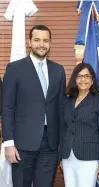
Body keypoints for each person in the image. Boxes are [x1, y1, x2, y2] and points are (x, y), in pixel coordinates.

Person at [2, 25, 66, 187]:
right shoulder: (14, 69)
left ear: (50, 43)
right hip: (21, 144)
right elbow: (7, 106)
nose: (41, 44)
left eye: (45, 40)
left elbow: (60, 107)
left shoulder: (58, 70)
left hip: (50, 145)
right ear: (29, 42)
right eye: (37, 40)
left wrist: (61, 143)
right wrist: (8, 143)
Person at [60, 63, 99, 187]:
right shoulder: (67, 100)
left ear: (92, 80)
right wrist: (61, 157)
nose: (83, 79)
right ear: (75, 79)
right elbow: (63, 129)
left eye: (86, 76)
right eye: (79, 76)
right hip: (67, 156)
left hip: (89, 156)